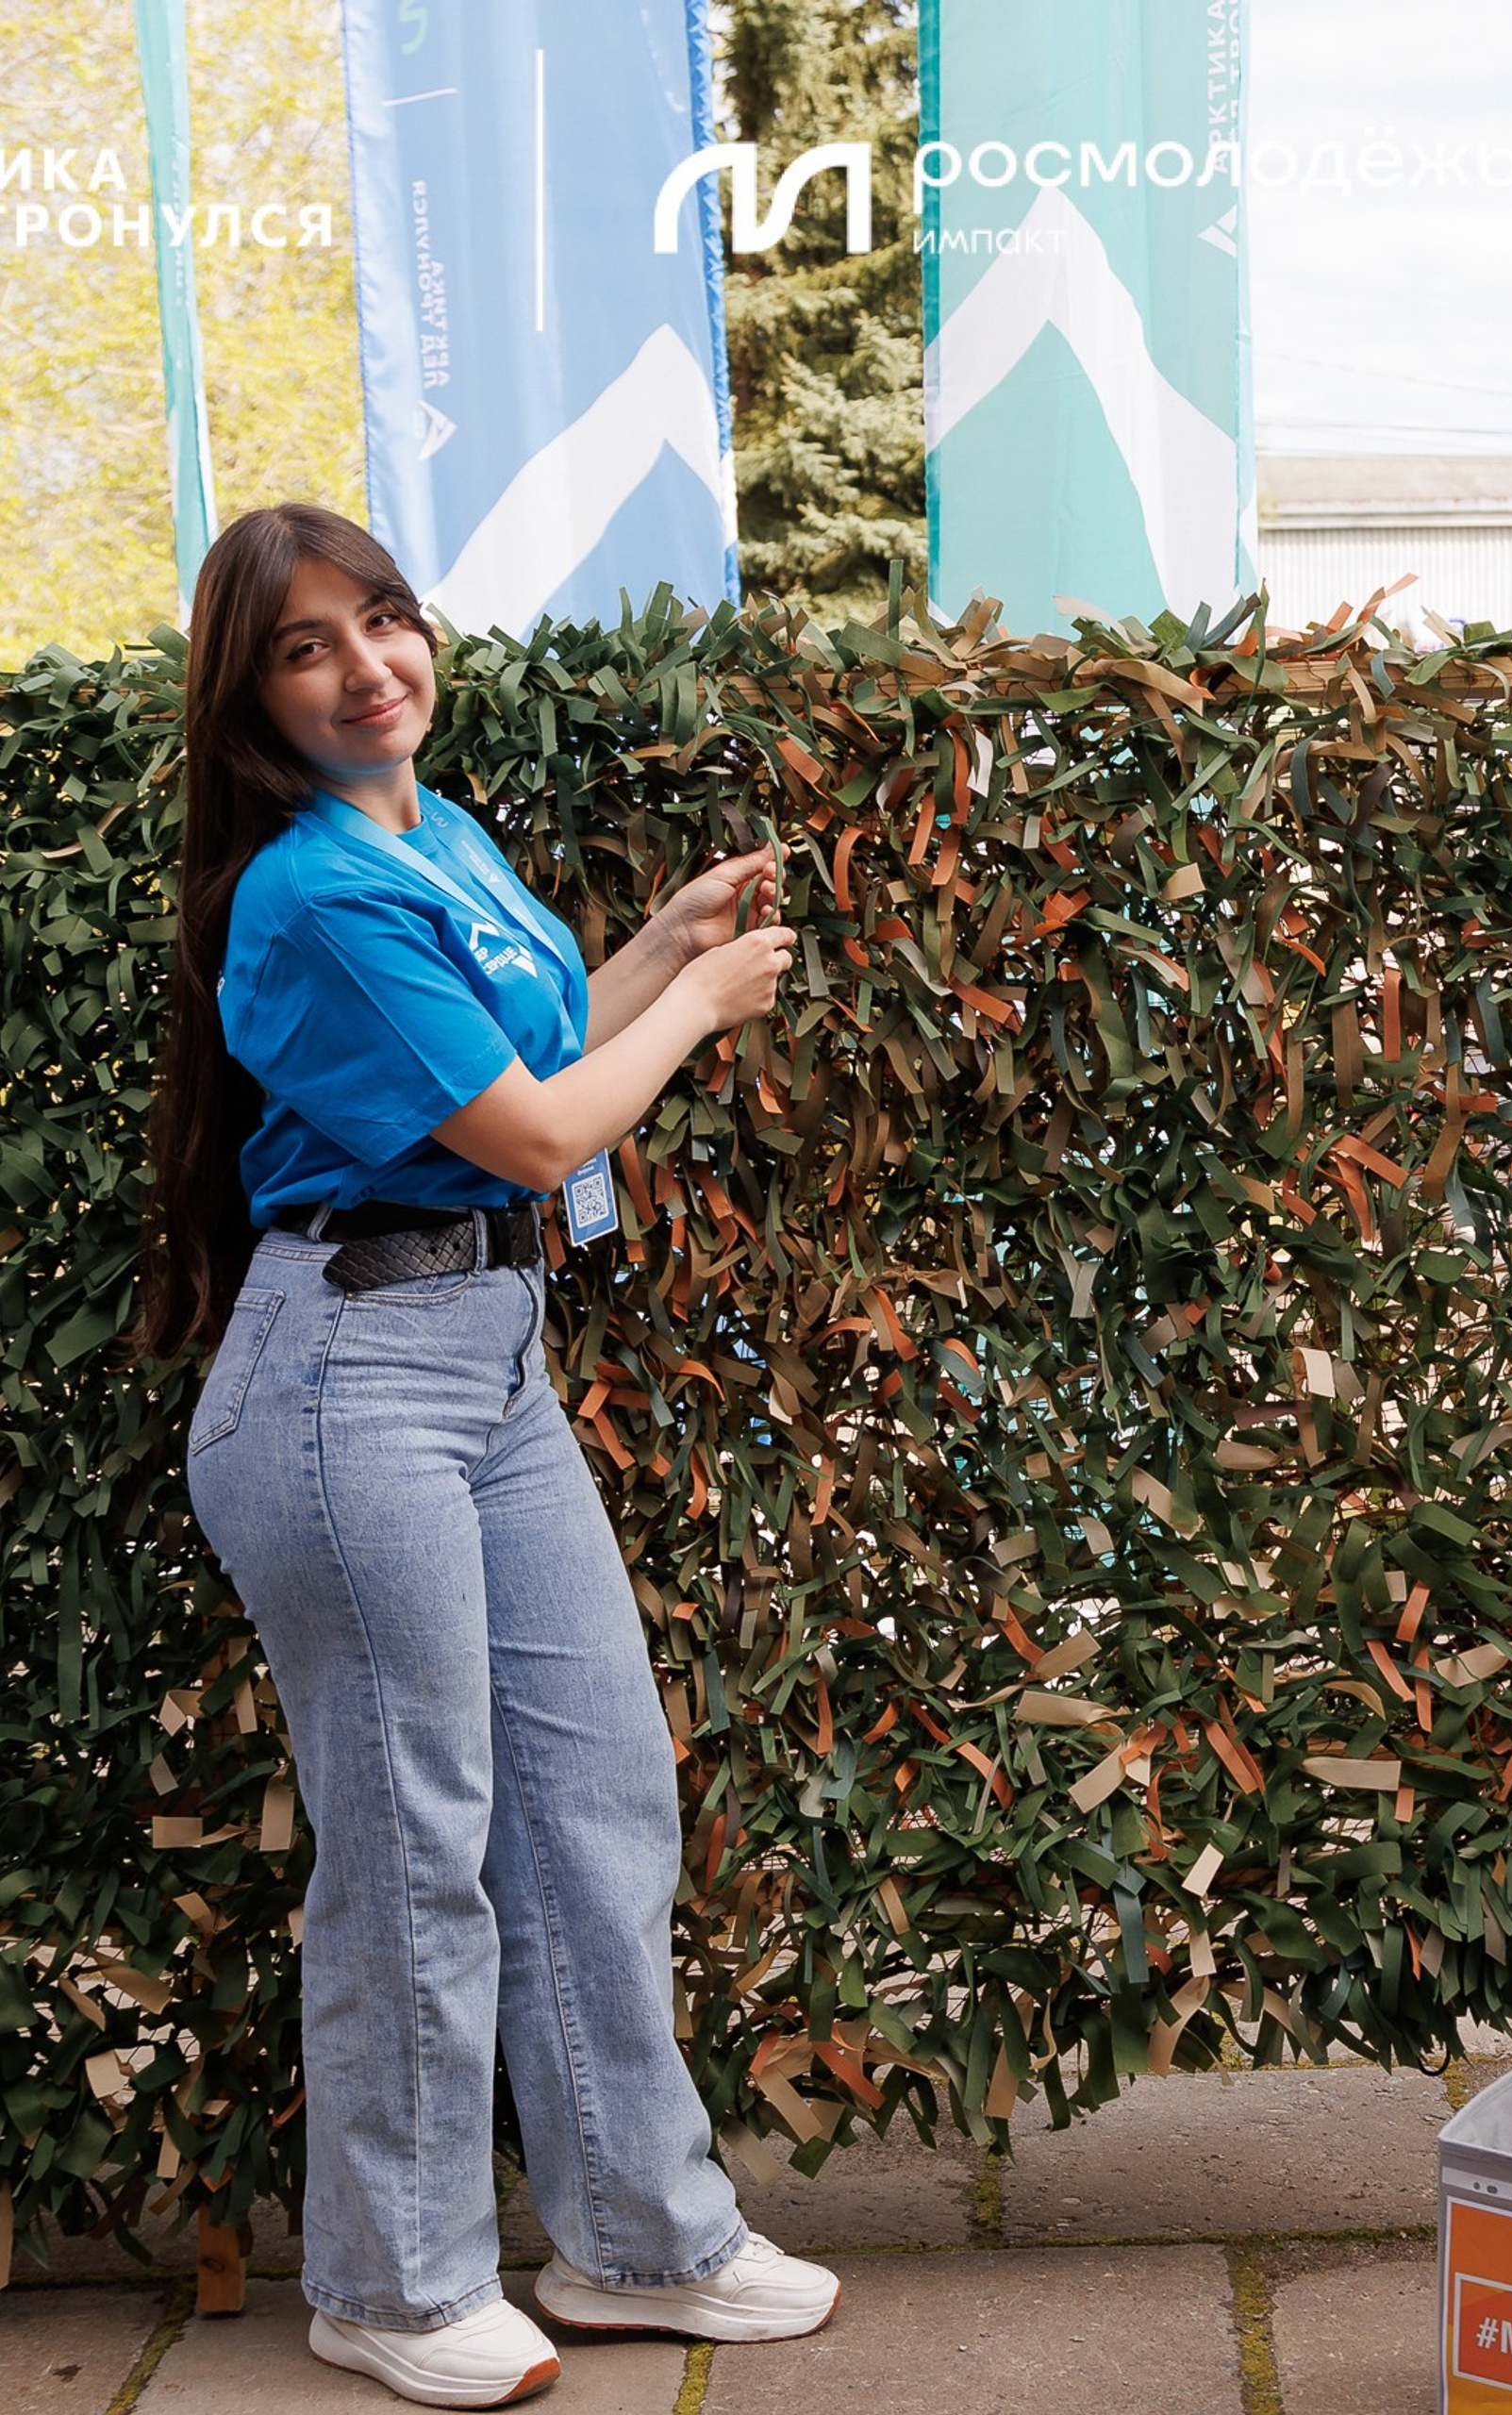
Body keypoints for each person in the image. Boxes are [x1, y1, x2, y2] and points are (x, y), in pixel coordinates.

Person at [144, 504, 834, 2409]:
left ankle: (634, 2233)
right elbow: (539, 1139)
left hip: (485, 1364)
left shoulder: (427, 834)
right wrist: (700, 1004)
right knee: (413, 1842)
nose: (370, 667)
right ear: (252, 694)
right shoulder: (308, 888)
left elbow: (521, 1058)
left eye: (386, 621)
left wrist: (652, 949)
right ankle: (391, 2275)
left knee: (595, 1792)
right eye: (310, 647)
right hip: (342, 1384)